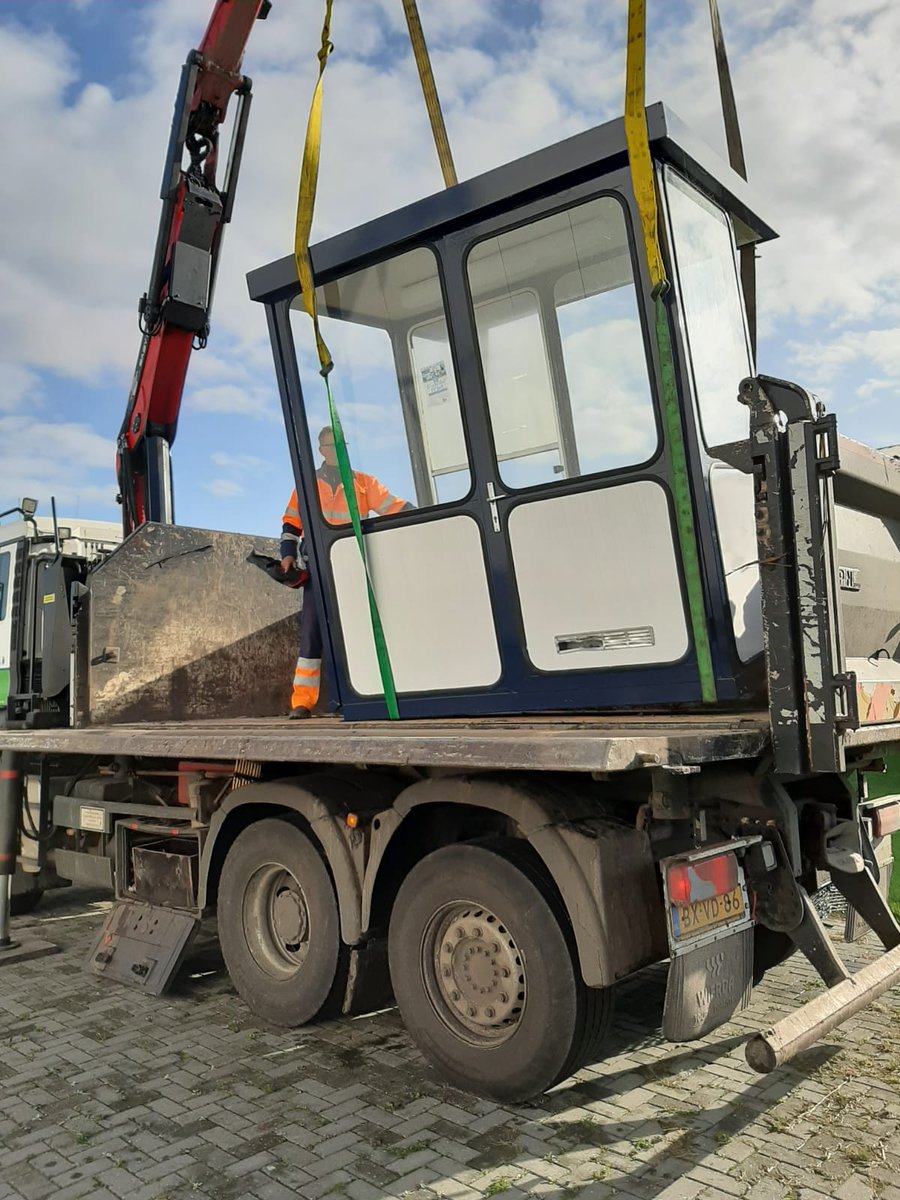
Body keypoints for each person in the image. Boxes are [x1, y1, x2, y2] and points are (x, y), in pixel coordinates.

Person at [281, 425, 412, 718]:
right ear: (321, 451)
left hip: (354, 567)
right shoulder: (306, 486)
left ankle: (373, 692)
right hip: (318, 571)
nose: (336, 450)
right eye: (330, 445)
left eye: (341, 444)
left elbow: (396, 507)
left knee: (365, 629)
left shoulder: (364, 483)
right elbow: (290, 525)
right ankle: (302, 702)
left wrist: (426, 518)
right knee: (311, 634)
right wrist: (287, 556)